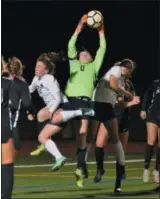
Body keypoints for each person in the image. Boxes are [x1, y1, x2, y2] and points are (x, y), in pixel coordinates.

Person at [29, 52, 94, 171]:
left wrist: (51, 110)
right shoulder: (36, 79)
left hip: (64, 106)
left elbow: (58, 98)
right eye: (35, 66)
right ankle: (59, 157)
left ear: (46, 69)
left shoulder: (50, 79)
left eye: (39, 67)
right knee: (41, 127)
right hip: (55, 108)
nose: (36, 69)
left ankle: (80, 112)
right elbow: (29, 90)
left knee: (54, 118)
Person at [64, 14, 106, 186]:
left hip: (85, 102)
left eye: (86, 52)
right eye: (81, 52)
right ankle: (78, 162)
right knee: (59, 127)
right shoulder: (73, 63)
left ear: (90, 57)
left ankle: (80, 166)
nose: (83, 53)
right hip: (68, 101)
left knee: (82, 134)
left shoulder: (94, 67)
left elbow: (102, 49)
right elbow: (70, 45)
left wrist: (101, 32)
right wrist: (79, 27)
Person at [92, 59, 140, 193]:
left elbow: (123, 103)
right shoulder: (115, 74)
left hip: (121, 117)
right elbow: (118, 96)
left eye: (128, 69)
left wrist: (131, 101)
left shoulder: (126, 82)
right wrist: (127, 95)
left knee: (120, 149)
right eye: (124, 67)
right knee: (99, 143)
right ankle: (99, 169)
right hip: (109, 111)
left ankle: (118, 182)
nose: (125, 70)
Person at [1, 56, 33, 199]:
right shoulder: (17, 84)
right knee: (7, 164)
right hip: (7, 126)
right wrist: (32, 111)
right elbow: (25, 103)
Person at [140, 79, 160, 184]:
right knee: (151, 141)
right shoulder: (156, 83)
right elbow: (147, 94)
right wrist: (143, 109)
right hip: (153, 114)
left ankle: (157, 170)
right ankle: (146, 168)